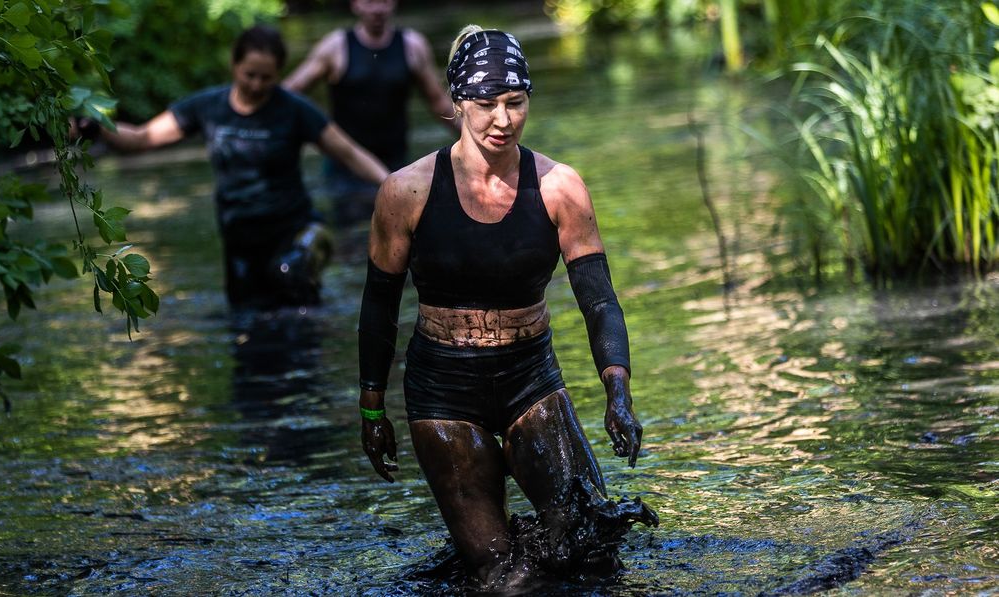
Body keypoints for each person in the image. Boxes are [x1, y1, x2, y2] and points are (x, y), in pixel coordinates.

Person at [356, 26, 658, 589]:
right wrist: (372, 410)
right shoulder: (406, 192)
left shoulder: (560, 187)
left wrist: (618, 391)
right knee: (506, 579)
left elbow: (598, 300)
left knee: (591, 551)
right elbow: (379, 305)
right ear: (457, 102)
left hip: (530, 378)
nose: (503, 119)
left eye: (515, 102)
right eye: (486, 104)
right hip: (443, 389)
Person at [81, 25, 388, 310]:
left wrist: (393, 185)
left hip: (292, 230)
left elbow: (350, 153)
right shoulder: (208, 106)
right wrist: (94, 126)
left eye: (266, 78)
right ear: (234, 64)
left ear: (279, 73)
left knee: (292, 283)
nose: (256, 85)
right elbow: (141, 138)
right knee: (248, 320)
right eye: (249, 75)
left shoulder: (294, 110)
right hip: (239, 238)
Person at [282, 0, 457, 223]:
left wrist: (476, 139)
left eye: (383, 1)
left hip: (396, 163)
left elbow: (438, 102)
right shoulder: (335, 46)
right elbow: (289, 93)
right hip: (345, 170)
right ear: (355, 4)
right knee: (353, 233)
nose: (377, 9)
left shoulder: (412, 46)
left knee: (402, 229)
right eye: (370, 2)